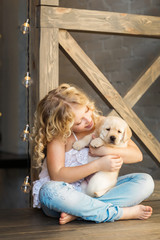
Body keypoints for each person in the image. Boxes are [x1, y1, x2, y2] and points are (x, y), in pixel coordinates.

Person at [32, 83, 154, 225]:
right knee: (48, 191)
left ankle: (79, 212)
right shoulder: (59, 138)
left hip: (96, 191)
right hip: (66, 197)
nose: (88, 120)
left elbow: (136, 155)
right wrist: (98, 165)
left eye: (87, 110)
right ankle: (119, 213)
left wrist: (104, 151)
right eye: (79, 122)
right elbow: (58, 176)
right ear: (64, 126)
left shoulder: (102, 123)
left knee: (145, 181)